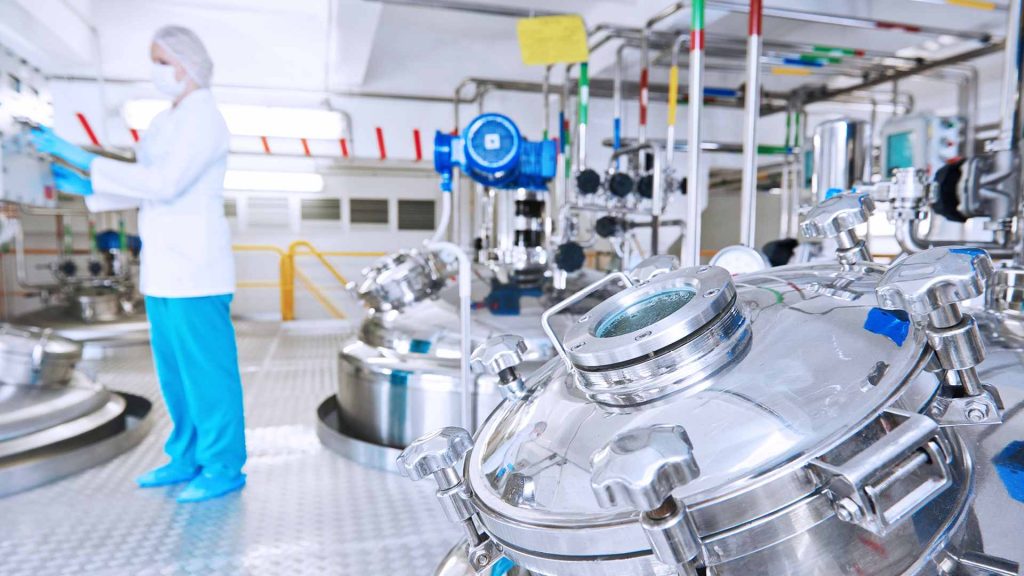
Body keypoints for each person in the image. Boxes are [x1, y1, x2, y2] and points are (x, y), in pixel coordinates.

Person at [32, 26, 246, 503]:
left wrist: (81, 157)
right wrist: (84, 184)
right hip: (164, 269)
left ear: (187, 65)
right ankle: (185, 457)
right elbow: (143, 181)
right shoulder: (164, 122)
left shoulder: (204, 118)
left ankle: (224, 464)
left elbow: (165, 183)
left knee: (208, 374)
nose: (155, 70)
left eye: (160, 59)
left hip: (197, 269)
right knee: (175, 374)